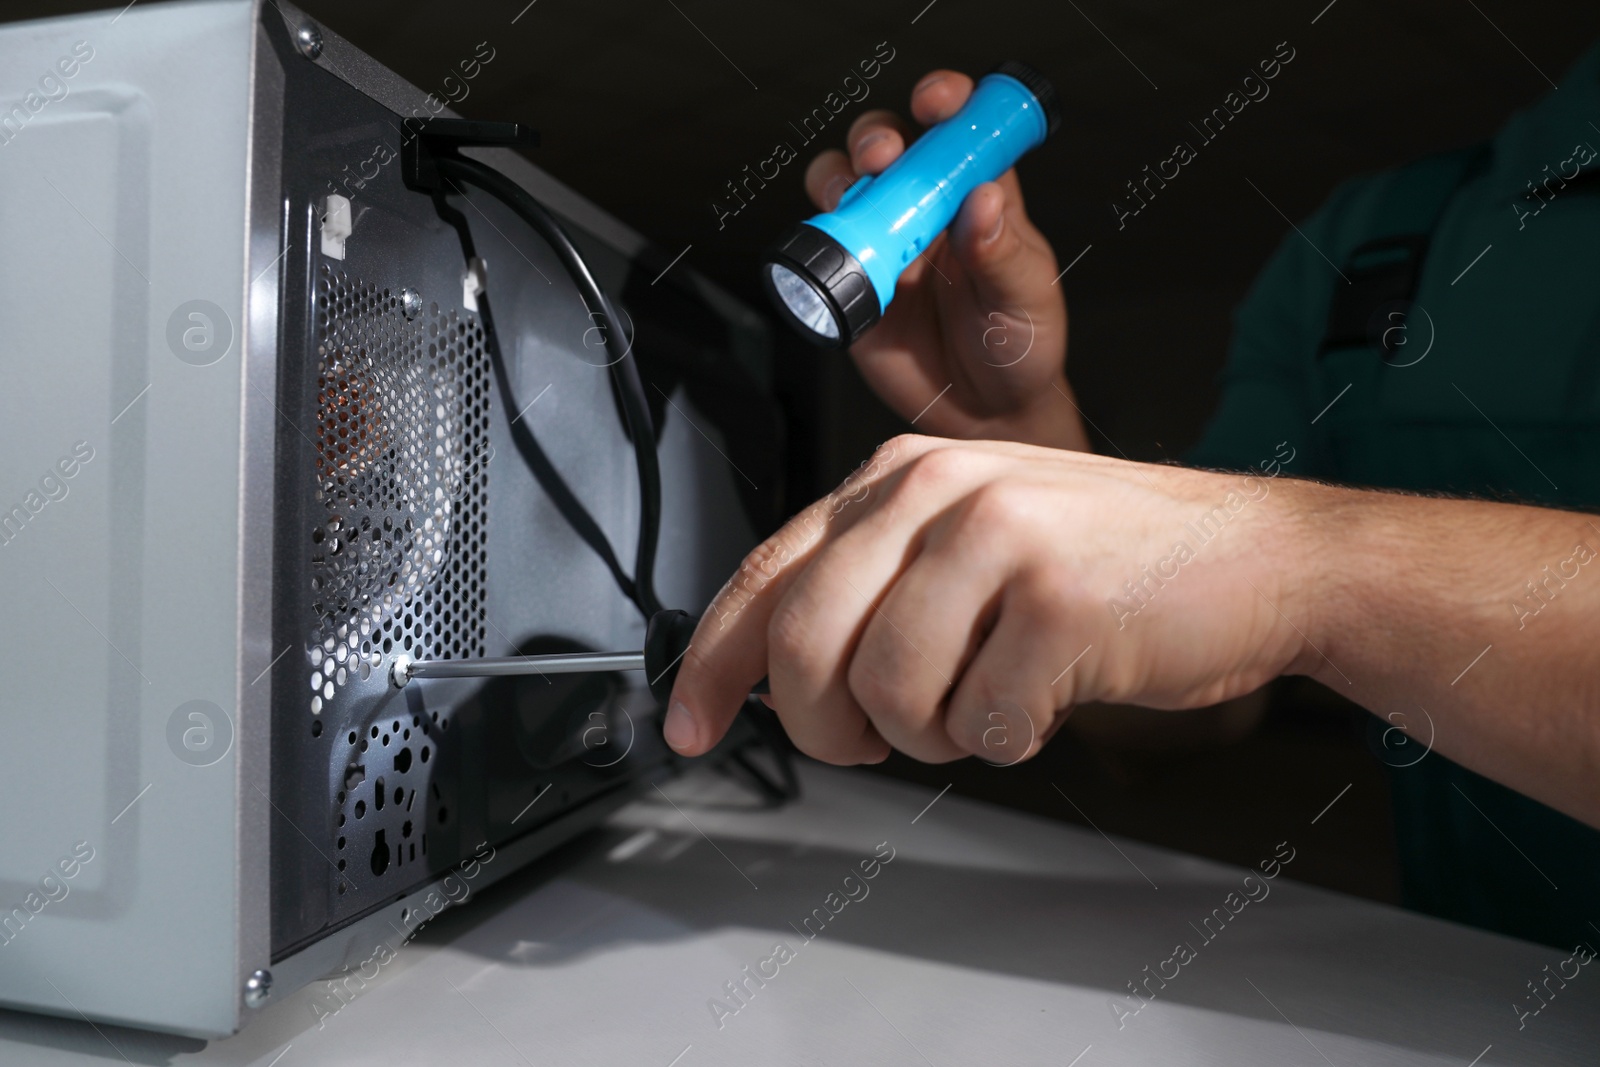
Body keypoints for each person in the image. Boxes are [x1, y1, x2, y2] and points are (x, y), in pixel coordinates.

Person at [666, 47, 1600, 949]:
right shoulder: (1376, 240)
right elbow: (1186, 712)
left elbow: (1277, 585)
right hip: (1464, 992)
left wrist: (1314, 567)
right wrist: (1018, 439)